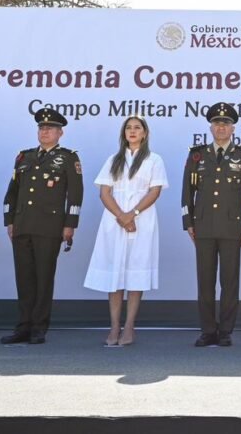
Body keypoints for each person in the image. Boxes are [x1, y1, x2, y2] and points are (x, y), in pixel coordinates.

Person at [83, 116, 168, 347]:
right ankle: (114, 327)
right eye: (128, 128)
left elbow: (154, 191)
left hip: (142, 220)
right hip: (114, 220)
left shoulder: (154, 159)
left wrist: (133, 214)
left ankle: (129, 327)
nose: (132, 131)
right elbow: (104, 193)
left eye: (137, 128)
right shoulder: (113, 159)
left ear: (145, 133)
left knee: (135, 274)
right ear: (123, 133)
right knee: (115, 274)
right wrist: (121, 216)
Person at [0, 108, 83, 345]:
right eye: (41, 127)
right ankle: (23, 327)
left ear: (60, 132)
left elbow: (76, 194)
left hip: (50, 226)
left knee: (44, 278)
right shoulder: (24, 157)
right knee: (24, 278)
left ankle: (39, 328)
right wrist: (10, 221)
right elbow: (12, 192)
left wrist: (70, 224)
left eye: (49, 128)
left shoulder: (68, 158)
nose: (44, 131)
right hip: (23, 224)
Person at [181, 102, 241, 347]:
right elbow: (187, 192)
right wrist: (188, 221)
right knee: (205, 281)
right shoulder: (197, 154)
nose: (221, 128)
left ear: (233, 127)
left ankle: (225, 331)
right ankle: (207, 330)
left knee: (229, 281)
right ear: (211, 127)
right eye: (217, 123)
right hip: (202, 226)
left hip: (232, 227)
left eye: (225, 124)